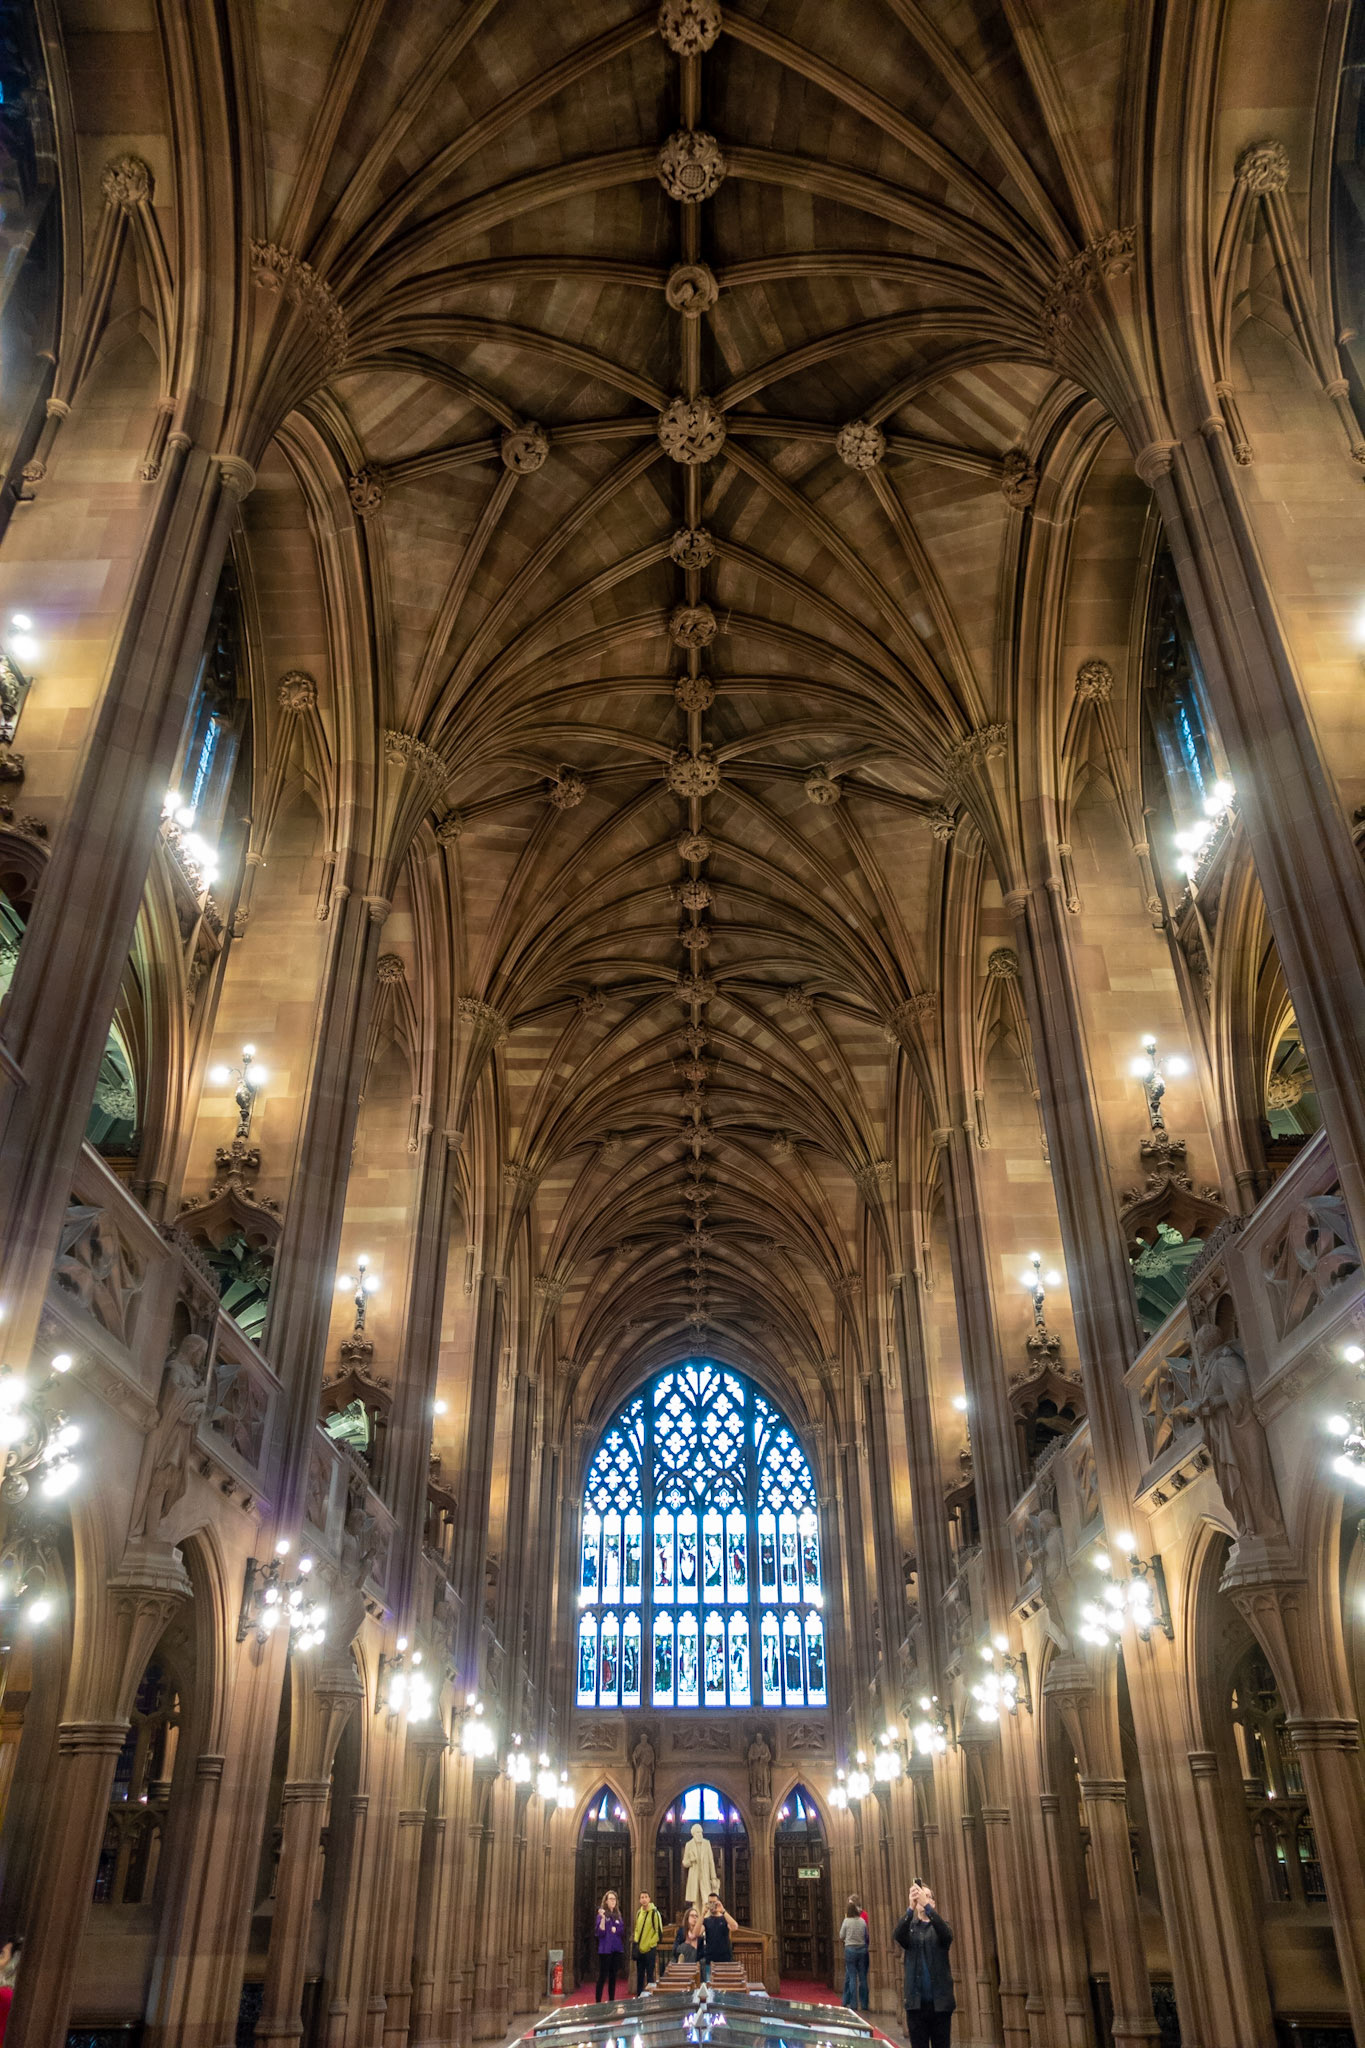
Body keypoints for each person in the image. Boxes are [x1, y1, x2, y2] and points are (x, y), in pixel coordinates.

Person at [893, 1881, 954, 2048]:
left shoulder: (942, 1926)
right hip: (916, 2004)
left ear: (933, 1903)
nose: (922, 1899)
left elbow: (947, 1936)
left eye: (927, 1896)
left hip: (940, 2003)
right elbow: (898, 1935)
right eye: (919, 1895)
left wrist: (928, 1908)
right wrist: (910, 1908)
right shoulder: (910, 1928)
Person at [839, 1894, 870, 2012]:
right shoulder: (862, 1921)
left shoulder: (846, 1921)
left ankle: (853, 2004)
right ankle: (865, 2004)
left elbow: (841, 1935)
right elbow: (866, 1935)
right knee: (862, 1977)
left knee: (852, 1977)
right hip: (862, 1949)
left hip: (850, 1949)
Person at [593, 1891, 625, 2003]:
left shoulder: (618, 1916)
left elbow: (621, 1930)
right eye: (610, 1899)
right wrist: (602, 1918)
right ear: (606, 1901)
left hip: (616, 1949)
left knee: (613, 1976)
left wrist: (616, 1930)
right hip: (605, 1950)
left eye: (614, 1899)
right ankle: (598, 2002)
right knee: (602, 1976)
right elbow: (599, 1933)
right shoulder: (602, 1915)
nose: (613, 1901)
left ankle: (611, 2000)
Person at [700, 1891, 738, 1983]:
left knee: (725, 1987)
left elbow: (734, 1927)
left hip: (725, 1959)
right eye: (710, 1902)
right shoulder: (706, 1920)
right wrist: (702, 1914)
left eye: (714, 1902)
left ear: (719, 1903)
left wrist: (723, 1911)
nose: (712, 1905)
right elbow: (697, 1933)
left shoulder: (725, 1918)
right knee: (711, 1987)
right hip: (710, 1960)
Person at [632, 1889, 663, 1996]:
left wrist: (650, 1944)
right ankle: (639, 1996)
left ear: (649, 1899)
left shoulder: (655, 1913)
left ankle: (650, 1997)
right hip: (640, 1948)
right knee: (639, 1974)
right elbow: (636, 1928)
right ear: (640, 1900)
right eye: (642, 1897)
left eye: (646, 1897)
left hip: (650, 1949)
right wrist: (636, 1940)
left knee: (650, 1974)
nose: (644, 1899)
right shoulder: (639, 1913)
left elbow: (658, 1932)